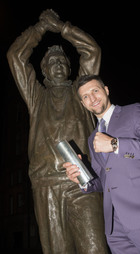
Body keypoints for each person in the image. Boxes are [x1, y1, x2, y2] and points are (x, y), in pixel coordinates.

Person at [7, 10, 109, 254]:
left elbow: (91, 51)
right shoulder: (36, 97)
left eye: (62, 61)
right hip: (47, 184)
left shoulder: (80, 94)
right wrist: (40, 29)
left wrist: (62, 27)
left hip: (83, 180)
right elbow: (16, 56)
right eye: (52, 62)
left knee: (95, 248)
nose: (58, 65)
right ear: (43, 71)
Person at [64, 74, 140, 254]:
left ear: (106, 90)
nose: (92, 98)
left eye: (95, 91)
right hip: (115, 228)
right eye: (86, 96)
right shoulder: (92, 138)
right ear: (83, 104)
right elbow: (104, 181)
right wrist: (81, 179)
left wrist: (115, 144)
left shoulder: (133, 112)